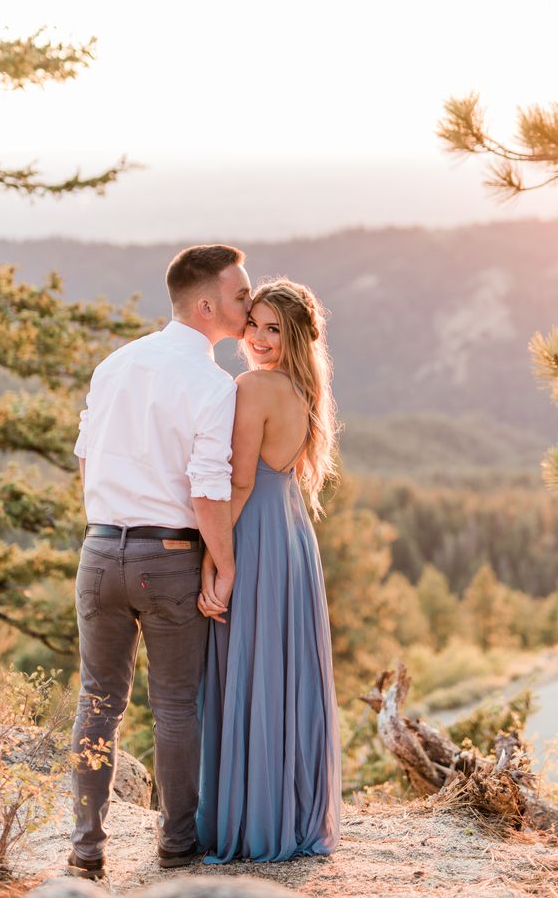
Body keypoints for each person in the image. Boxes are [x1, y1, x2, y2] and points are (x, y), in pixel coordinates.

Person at [68, 244, 252, 880]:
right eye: (239, 296)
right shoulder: (211, 383)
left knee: (98, 702)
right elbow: (208, 489)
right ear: (206, 306)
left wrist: (109, 523)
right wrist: (223, 565)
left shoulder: (115, 363)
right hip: (169, 556)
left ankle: (86, 851)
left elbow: (87, 459)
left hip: (98, 549)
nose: (248, 304)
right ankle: (176, 847)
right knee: (175, 706)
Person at [196, 278, 341, 863]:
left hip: (254, 532)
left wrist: (215, 559)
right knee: (282, 672)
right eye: (252, 323)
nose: (256, 337)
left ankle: (251, 822)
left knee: (251, 665)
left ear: (295, 335)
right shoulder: (306, 390)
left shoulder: (251, 387)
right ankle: (286, 809)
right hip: (292, 536)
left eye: (272, 328)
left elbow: (240, 481)